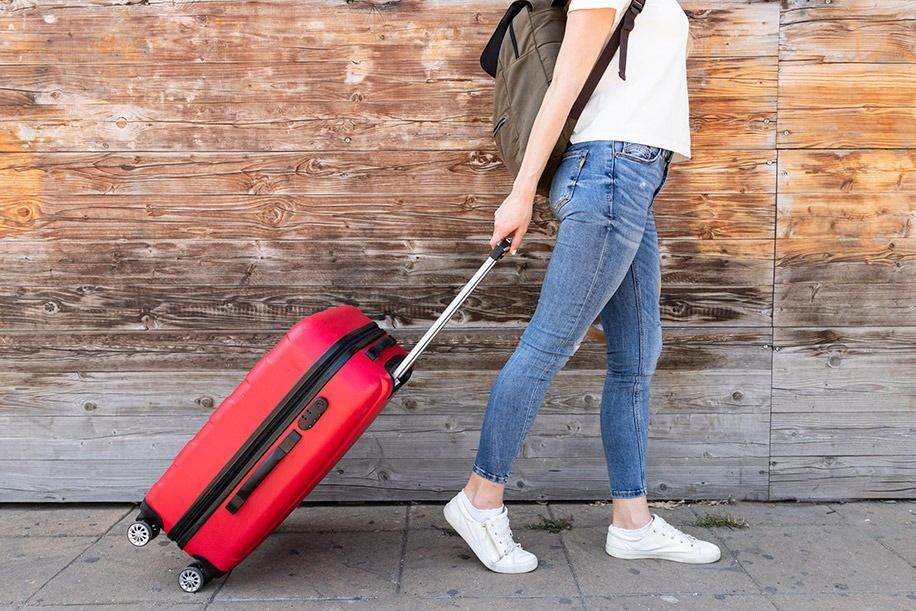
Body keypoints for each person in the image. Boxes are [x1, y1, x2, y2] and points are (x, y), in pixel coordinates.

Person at [442, 0, 722, 573]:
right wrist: (520, 193)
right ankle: (479, 499)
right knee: (548, 346)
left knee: (636, 357)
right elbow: (563, 86)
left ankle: (632, 522)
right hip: (610, 173)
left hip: (632, 180)